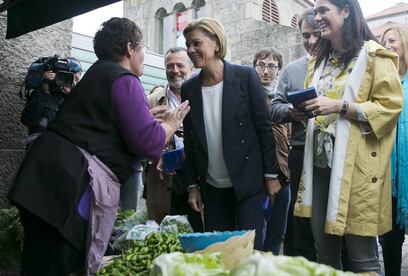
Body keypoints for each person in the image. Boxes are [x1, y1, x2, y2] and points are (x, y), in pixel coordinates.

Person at [8, 17, 189, 276]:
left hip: (44, 184)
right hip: (66, 192)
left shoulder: (98, 72)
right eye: (142, 50)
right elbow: (147, 142)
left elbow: (109, 125)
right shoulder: (124, 79)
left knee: (39, 259)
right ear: (129, 48)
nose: (143, 56)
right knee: (56, 263)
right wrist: (170, 124)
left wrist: (147, 120)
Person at [294, 0, 403, 273]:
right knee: (325, 254)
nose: (317, 17)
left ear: (345, 11)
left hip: (357, 168)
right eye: (315, 11)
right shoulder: (318, 60)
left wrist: (340, 107)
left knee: (362, 257)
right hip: (319, 165)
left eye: (323, 10)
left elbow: (390, 106)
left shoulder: (375, 54)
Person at [181, 17, 281, 250]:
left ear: (216, 43)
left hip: (249, 182)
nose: (190, 50)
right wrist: (192, 186)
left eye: (196, 43)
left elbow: (264, 129)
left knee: (250, 250)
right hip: (212, 188)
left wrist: (271, 175)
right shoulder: (189, 88)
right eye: (188, 45)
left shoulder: (245, 76)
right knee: (221, 252)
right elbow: (190, 142)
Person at [271, 8, 318, 261]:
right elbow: (274, 108)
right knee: (300, 219)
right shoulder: (291, 69)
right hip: (300, 152)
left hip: (336, 151)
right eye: (305, 36)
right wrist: (290, 111)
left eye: (316, 34)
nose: (310, 42)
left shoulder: (345, 65)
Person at [145, 47, 203, 232]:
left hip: (196, 173)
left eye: (180, 65)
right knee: (165, 233)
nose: (175, 70)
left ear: (191, 68)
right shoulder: (152, 100)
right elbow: (140, 138)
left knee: (198, 229)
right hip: (163, 175)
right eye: (170, 66)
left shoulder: (202, 95)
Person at [380, 25, 408, 276]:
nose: (387, 45)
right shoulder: (380, 82)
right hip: (387, 171)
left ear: (406, 43)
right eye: (383, 41)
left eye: (391, 40)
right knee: (390, 237)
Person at [253, 47, 290, 255]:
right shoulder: (250, 96)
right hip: (260, 177)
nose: (266, 71)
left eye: (272, 66)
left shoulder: (283, 99)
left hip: (284, 176)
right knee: (260, 235)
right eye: (261, 65)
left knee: (277, 235)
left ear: (279, 70)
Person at [20, 56, 82, 141]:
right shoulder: (44, 93)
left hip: (64, 151)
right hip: (39, 151)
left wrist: (72, 96)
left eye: (76, 79)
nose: (71, 81)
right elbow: (28, 120)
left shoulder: (77, 100)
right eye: (66, 76)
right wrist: (44, 90)